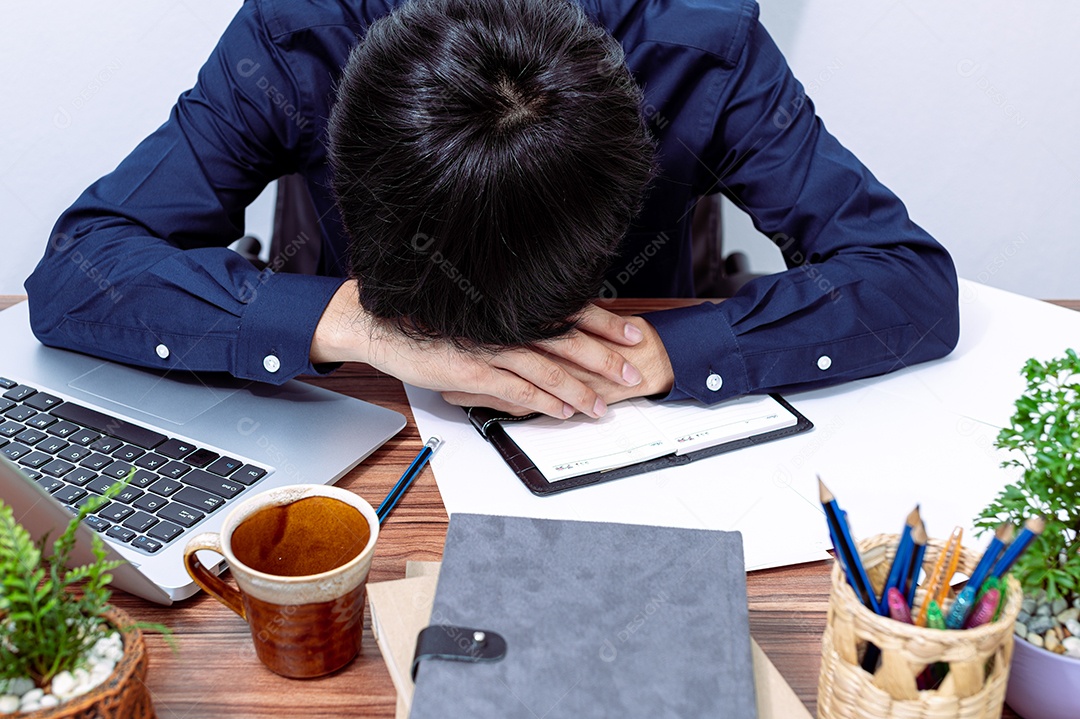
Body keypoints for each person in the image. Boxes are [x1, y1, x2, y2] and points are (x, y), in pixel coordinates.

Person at [25, 0, 959, 421]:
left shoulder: (703, 43)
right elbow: (78, 267)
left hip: (620, 409)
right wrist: (353, 322)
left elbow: (909, 279)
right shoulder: (297, 30)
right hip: (352, 404)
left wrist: (671, 352)